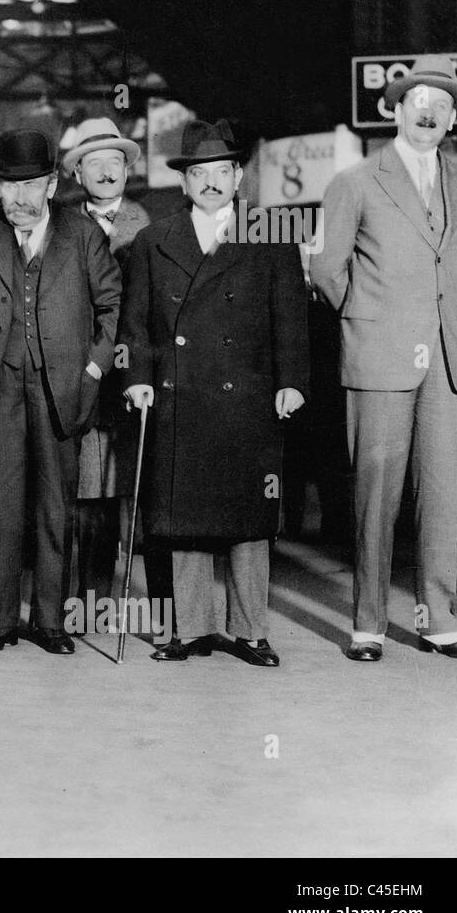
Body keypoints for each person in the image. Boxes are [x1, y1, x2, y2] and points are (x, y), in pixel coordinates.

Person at [120, 119, 309, 665]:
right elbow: (135, 325)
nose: (209, 183)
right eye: (198, 173)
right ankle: (191, 628)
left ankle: (251, 631)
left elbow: (290, 316)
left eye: (219, 172)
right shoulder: (154, 240)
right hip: (179, 394)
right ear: (184, 182)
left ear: (237, 176)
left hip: (248, 392)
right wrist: (136, 379)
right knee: (185, 516)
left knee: (249, 518)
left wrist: (292, 381)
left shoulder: (269, 233)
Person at [312, 55, 457, 661]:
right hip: (380, 352)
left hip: (451, 354)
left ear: (453, 120)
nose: (429, 114)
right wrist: (368, 315)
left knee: (442, 491)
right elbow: (327, 267)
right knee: (377, 491)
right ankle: (369, 624)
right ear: (396, 111)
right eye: (418, 104)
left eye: (442, 107)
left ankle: (438, 618)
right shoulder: (355, 181)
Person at [0, 129, 120, 654]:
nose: (18, 198)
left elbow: (112, 307)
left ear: (51, 184)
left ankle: (50, 622)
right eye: (7, 186)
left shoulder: (83, 234)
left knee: (54, 508)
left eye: (30, 185)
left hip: (61, 387)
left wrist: (92, 369)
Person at [61, 117, 171, 622]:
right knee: (90, 494)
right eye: (94, 163)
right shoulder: (59, 223)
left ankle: (161, 608)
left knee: (142, 491)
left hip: (136, 375)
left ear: (128, 170)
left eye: (115, 163)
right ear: (77, 172)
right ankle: (92, 604)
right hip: (81, 374)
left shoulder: (149, 224)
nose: (106, 172)